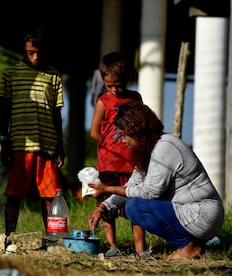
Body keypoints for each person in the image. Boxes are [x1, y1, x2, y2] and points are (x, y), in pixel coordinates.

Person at [88, 101, 225, 260]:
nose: (123, 141)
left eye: (124, 135)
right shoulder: (148, 151)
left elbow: (150, 192)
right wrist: (104, 207)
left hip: (201, 213)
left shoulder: (164, 147)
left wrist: (107, 189)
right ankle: (195, 243)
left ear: (136, 131)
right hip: (191, 212)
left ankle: (188, 246)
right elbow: (132, 186)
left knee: (135, 207)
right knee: (134, 202)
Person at [0, 27, 65, 237]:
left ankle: (53, 239)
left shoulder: (53, 76)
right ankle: (9, 236)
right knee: (14, 194)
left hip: (47, 145)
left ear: (47, 52)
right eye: (30, 53)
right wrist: (4, 140)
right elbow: (4, 110)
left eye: (39, 53)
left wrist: (60, 147)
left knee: (50, 195)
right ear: (23, 51)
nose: (35, 58)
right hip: (20, 145)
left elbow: (57, 114)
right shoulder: (11, 74)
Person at [89, 51, 145, 257]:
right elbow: (94, 131)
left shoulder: (135, 98)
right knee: (106, 205)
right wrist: (110, 146)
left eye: (119, 85)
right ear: (103, 81)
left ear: (127, 80)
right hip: (109, 163)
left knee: (135, 203)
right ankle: (113, 246)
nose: (114, 90)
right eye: (109, 85)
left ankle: (141, 249)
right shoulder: (103, 102)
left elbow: (141, 123)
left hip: (131, 164)